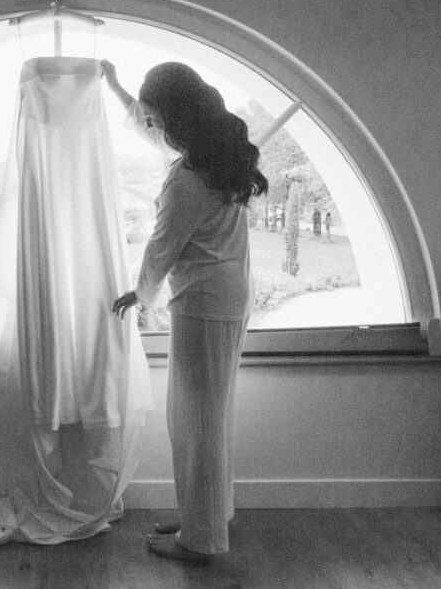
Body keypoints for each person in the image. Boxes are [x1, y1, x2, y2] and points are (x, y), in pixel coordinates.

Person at [101, 60, 267, 561]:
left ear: (172, 117)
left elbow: (163, 243)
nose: (149, 125)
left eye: (154, 116)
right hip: (229, 297)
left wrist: (140, 292)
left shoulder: (189, 177)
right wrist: (116, 85)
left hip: (205, 305)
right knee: (210, 419)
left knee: (196, 424)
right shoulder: (216, 156)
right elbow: (155, 134)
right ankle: (209, 517)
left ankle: (201, 540)